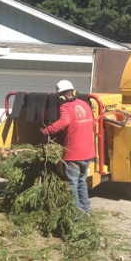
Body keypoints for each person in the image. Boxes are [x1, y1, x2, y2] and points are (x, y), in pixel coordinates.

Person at [40, 80, 95, 215]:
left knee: (72, 183)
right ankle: (85, 212)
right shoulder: (85, 105)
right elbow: (92, 122)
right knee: (82, 182)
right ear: (73, 91)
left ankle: (74, 213)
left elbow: (64, 122)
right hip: (88, 153)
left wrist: (46, 131)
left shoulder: (65, 107)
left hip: (74, 154)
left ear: (61, 96)